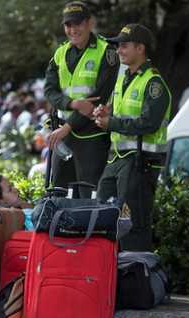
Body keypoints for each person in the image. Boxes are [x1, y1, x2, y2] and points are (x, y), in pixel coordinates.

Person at [93, 23, 171, 251]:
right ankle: (110, 276)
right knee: (104, 217)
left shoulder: (153, 82)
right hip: (117, 159)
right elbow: (119, 113)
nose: (118, 51)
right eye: (118, 46)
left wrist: (112, 122)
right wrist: (106, 113)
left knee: (133, 225)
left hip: (140, 161)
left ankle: (134, 279)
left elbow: (148, 122)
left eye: (124, 46)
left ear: (140, 48)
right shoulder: (123, 78)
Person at [43, 2, 119, 197]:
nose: (72, 29)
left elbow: (99, 98)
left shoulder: (107, 51)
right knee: (59, 193)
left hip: (91, 136)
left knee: (89, 196)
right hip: (64, 136)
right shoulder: (60, 53)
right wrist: (72, 103)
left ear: (89, 23)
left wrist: (67, 127)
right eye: (68, 25)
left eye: (77, 23)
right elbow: (49, 90)